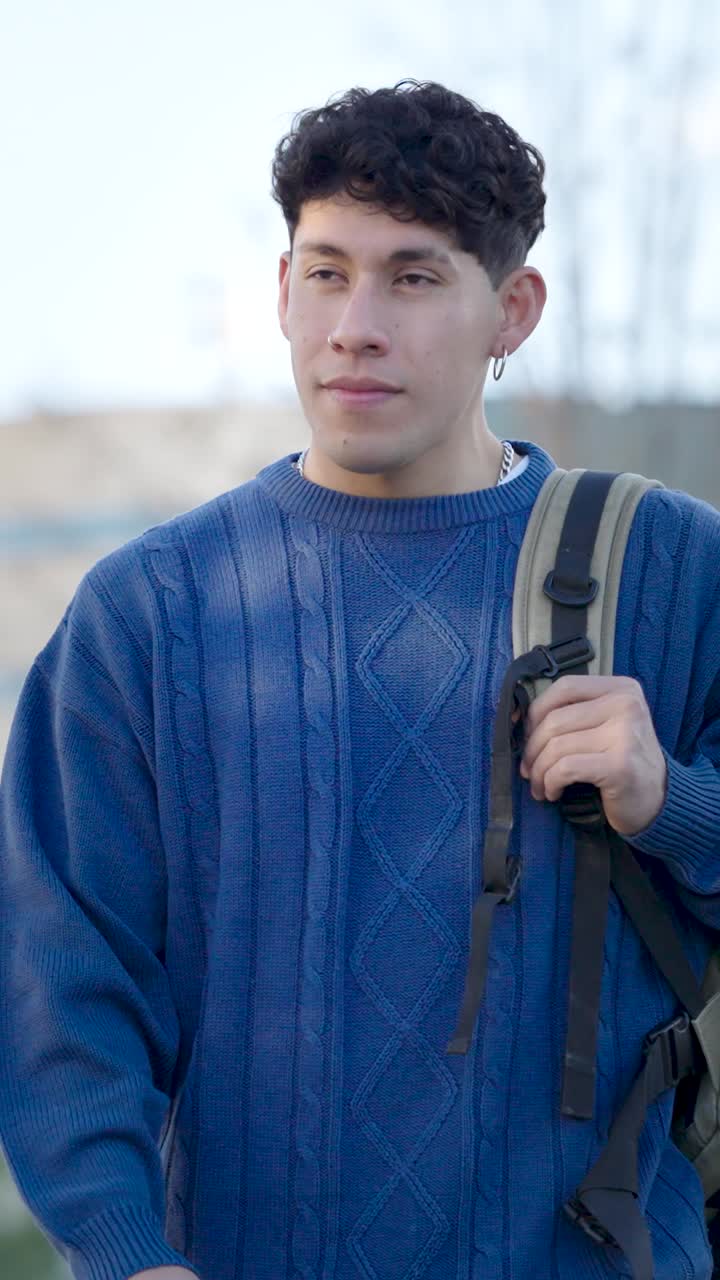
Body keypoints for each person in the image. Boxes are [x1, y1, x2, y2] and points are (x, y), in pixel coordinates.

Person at [1, 79, 719, 1280]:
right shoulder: (150, 611)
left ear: (514, 310)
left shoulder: (672, 569)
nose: (356, 325)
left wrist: (673, 800)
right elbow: (59, 974)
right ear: (283, 289)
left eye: (416, 276)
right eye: (326, 271)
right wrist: (127, 1252)